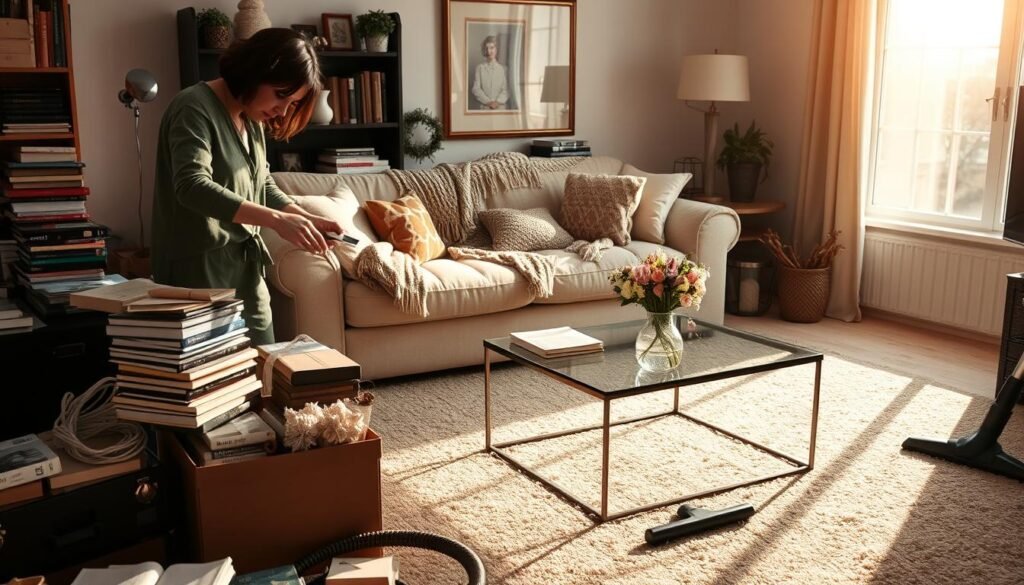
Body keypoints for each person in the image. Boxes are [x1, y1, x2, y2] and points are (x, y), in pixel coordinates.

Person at [151, 28, 343, 345]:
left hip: (245, 266)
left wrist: (302, 217)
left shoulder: (251, 118)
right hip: (198, 266)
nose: (282, 110)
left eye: (292, 102)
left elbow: (261, 182)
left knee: (265, 366)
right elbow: (192, 185)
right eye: (282, 94)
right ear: (255, 70)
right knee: (216, 380)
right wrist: (277, 221)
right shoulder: (192, 108)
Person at [471, 35, 509, 110]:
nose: (489, 51)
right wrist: (488, 102)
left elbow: (506, 90)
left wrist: (497, 102)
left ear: (496, 49)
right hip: (485, 107)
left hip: (500, 108)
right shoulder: (480, 68)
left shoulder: (503, 69)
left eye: (492, 48)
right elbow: (476, 89)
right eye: (486, 48)